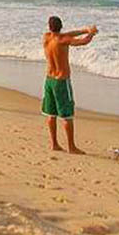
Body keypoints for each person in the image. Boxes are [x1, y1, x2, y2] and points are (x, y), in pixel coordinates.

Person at [41, 16, 97, 154]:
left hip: (49, 80)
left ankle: (54, 144)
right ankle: (71, 147)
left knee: (51, 114)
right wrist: (91, 33)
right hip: (61, 81)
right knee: (67, 115)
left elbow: (68, 34)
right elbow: (83, 42)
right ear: (61, 26)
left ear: (49, 27)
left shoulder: (46, 37)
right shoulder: (63, 41)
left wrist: (84, 29)